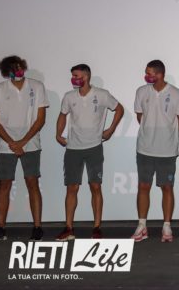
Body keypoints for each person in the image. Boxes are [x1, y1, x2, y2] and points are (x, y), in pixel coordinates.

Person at [55, 64, 124, 240]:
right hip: (73, 148)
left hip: (94, 147)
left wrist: (110, 130)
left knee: (95, 186)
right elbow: (62, 115)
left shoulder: (101, 94)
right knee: (72, 187)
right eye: (72, 75)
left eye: (76, 75)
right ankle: (68, 228)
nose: (73, 79)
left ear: (86, 76)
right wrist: (58, 134)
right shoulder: (69, 96)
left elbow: (119, 109)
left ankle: (97, 228)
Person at [0, 55, 49, 241]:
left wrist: (22, 142)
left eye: (20, 67)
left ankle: (37, 227)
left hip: (31, 143)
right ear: (7, 72)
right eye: (13, 69)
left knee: (32, 183)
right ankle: (0, 228)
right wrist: (13, 143)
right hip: (5, 145)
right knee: (4, 184)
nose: (18, 71)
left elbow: (40, 119)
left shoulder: (37, 86)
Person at [130, 60, 179, 243]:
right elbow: (140, 116)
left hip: (167, 151)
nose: (146, 76)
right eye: (146, 73)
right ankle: (142, 226)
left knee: (167, 187)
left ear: (160, 74)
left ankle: (167, 226)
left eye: (150, 73)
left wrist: (171, 137)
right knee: (143, 186)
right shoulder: (141, 91)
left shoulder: (175, 93)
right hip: (145, 148)